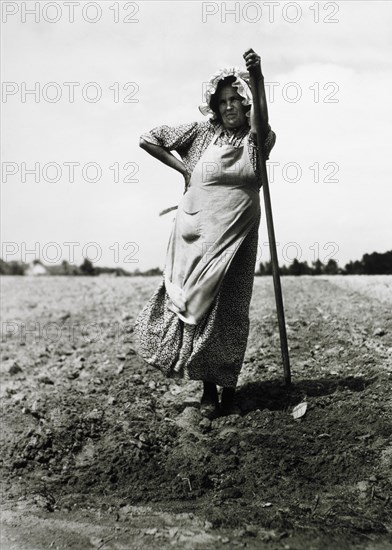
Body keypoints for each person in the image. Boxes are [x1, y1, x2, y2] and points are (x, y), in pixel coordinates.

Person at [134, 48, 276, 418]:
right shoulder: (200, 135)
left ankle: (229, 386)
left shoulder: (257, 140)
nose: (229, 107)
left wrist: (256, 78)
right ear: (214, 106)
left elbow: (262, 120)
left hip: (239, 236)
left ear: (246, 105)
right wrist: (183, 170)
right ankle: (208, 390)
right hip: (196, 235)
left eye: (236, 100)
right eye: (223, 101)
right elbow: (148, 138)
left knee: (231, 310)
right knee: (202, 310)